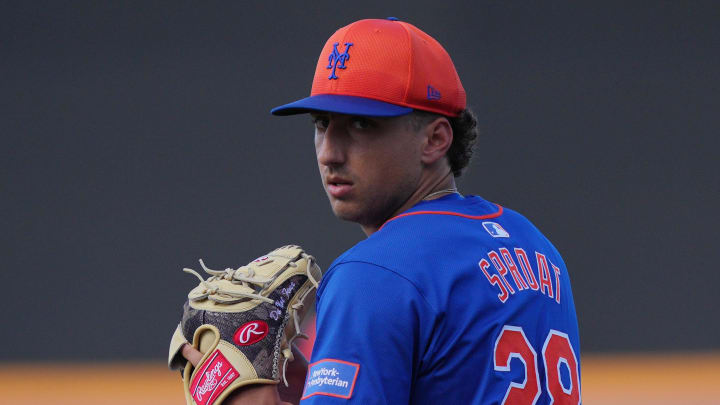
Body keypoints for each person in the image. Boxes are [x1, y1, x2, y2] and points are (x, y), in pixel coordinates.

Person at [183, 18, 581, 404]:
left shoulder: (374, 274)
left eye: (360, 124)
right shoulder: (535, 247)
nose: (329, 153)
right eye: (323, 123)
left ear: (435, 139)